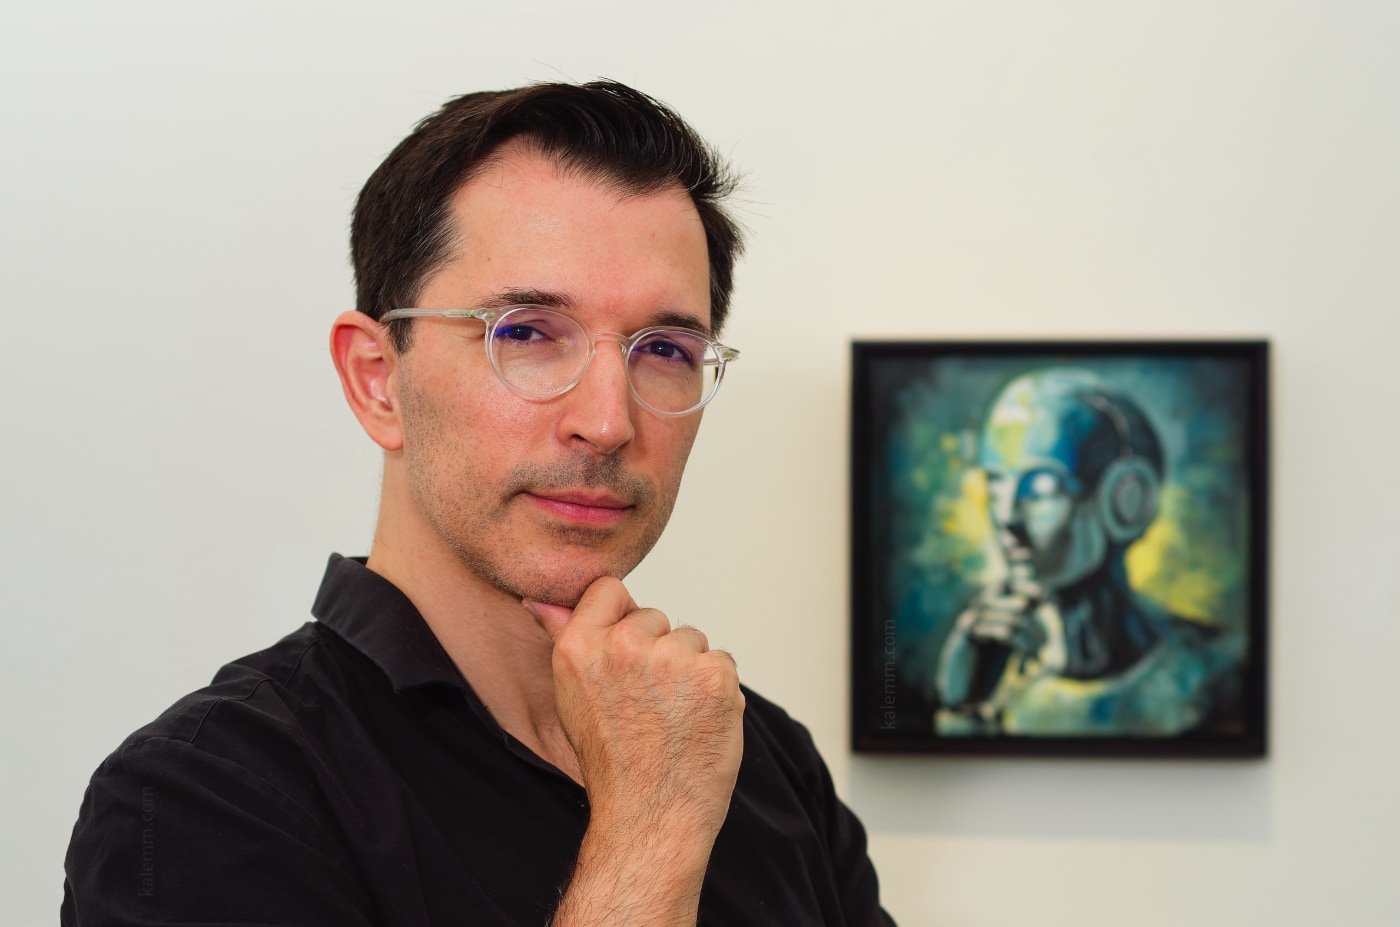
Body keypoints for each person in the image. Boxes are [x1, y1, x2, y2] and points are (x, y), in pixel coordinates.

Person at [62, 81, 894, 926]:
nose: (607, 421)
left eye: (665, 348)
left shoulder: (759, 756)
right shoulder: (200, 796)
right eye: (527, 332)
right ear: (377, 379)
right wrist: (652, 832)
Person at [934, 368, 1242, 737]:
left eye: (1041, 488)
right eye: (997, 486)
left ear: (1125, 499)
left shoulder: (1214, 673)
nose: (1006, 518)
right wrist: (964, 707)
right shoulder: (997, 672)